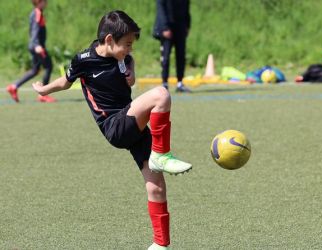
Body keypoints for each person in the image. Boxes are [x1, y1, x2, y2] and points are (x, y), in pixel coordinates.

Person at [32, 10, 192, 249]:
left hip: (131, 120)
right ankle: (162, 155)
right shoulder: (83, 60)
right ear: (108, 40)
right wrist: (44, 90)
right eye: (127, 44)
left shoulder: (123, 57)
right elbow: (66, 81)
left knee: (156, 185)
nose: (129, 50)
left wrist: (133, 71)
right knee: (161, 94)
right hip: (113, 125)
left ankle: (160, 244)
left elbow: (128, 60)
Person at [7, 0, 56, 103]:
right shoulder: (37, 13)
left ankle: (14, 87)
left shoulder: (36, 12)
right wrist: (37, 45)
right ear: (38, 2)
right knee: (48, 66)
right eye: (44, 1)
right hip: (37, 46)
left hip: (34, 46)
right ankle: (43, 95)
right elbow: (34, 30)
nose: (46, 3)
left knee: (35, 70)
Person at [153, 0, 191, 93]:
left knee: (181, 56)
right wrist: (165, 27)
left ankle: (180, 83)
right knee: (165, 57)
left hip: (180, 27)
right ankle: (165, 83)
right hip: (167, 28)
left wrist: (187, 25)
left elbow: (186, 9)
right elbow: (161, 9)